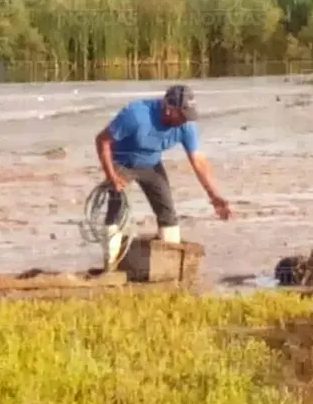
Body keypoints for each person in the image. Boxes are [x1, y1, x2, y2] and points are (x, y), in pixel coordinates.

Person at [94, 84, 232, 270]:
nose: (186, 120)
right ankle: (109, 266)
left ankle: (170, 266)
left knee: (168, 212)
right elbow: (102, 140)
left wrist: (214, 195)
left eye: (188, 115)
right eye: (182, 115)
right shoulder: (136, 115)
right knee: (117, 207)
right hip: (122, 163)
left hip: (151, 164)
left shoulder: (186, 126)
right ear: (169, 109)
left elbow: (198, 161)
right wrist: (111, 176)